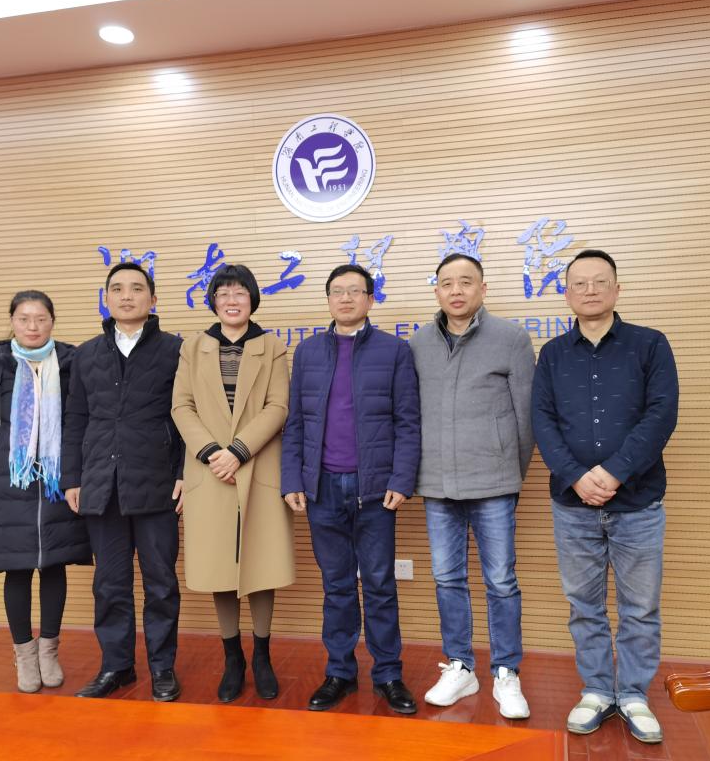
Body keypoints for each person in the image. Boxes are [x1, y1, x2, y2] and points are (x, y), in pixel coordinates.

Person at [531, 249, 678, 744]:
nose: (590, 290)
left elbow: (661, 414)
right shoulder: (552, 354)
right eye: (580, 283)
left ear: (617, 288)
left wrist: (614, 472)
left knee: (640, 607)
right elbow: (542, 421)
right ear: (566, 293)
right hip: (572, 505)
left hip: (637, 502)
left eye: (600, 281)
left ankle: (633, 694)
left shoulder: (650, 344)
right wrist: (576, 476)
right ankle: (596, 690)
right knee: (584, 606)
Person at [281, 264, 421, 714]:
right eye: (337, 291)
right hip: (322, 487)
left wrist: (401, 479)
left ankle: (388, 674)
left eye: (355, 291)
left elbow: (408, 421)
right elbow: (296, 423)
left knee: (379, 584)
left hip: (375, 489)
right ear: (328, 299)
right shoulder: (307, 352)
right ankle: (339, 671)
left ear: (370, 299)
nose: (345, 298)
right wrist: (293, 478)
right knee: (336, 585)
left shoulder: (394, 350)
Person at [409, 252, 535, 720]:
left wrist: (509, 471)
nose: (456, 290)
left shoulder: (511, 338)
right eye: (447, 283)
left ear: (483, 288)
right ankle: (461, 666)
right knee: (447, 578)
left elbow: (526, 418)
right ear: (436, 290)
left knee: (501, 580)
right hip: (436, 483)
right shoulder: (418, 343)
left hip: (494, 482)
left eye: (466, 282)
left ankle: (506, 671)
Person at [62, 262, 185, 702]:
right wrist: (72, 477)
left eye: (136, 288)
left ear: (153, 299)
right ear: (106, 298)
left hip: (157, 484)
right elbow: (75, 419)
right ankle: (116, 666)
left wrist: (184, 473)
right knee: (109, 584)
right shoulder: (86, 354)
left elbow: (190, 416)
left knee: (161, 583)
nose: (126, 296)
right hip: (102, 485)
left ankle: (162, 668)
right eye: (117, 289)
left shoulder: (176, 350)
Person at [171, 265, 293, 703]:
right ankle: (232, 658)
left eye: (240, 292)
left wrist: (238, 451)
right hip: (209, 471)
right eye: (223, 293)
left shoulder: (272, 347)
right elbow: (181, 406)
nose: (231, 300)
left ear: (252, 299)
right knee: (219, 565)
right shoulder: (193, 347)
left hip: (257, 467)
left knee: (261, 564)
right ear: (214, 302)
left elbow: (278, 406)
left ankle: (262, 656)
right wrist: (211, 453)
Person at [0, 290, 91, 693]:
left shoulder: (71, 364)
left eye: (40, 318)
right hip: (14, 480)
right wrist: (20, 457)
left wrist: (56, 461)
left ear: (52, 321)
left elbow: (78, 420)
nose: (33, 326)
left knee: (54, 563)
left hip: (58, 478)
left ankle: (49, 652)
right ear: (12, 321)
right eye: (24, 319)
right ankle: (24, 655)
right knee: (18, 566)